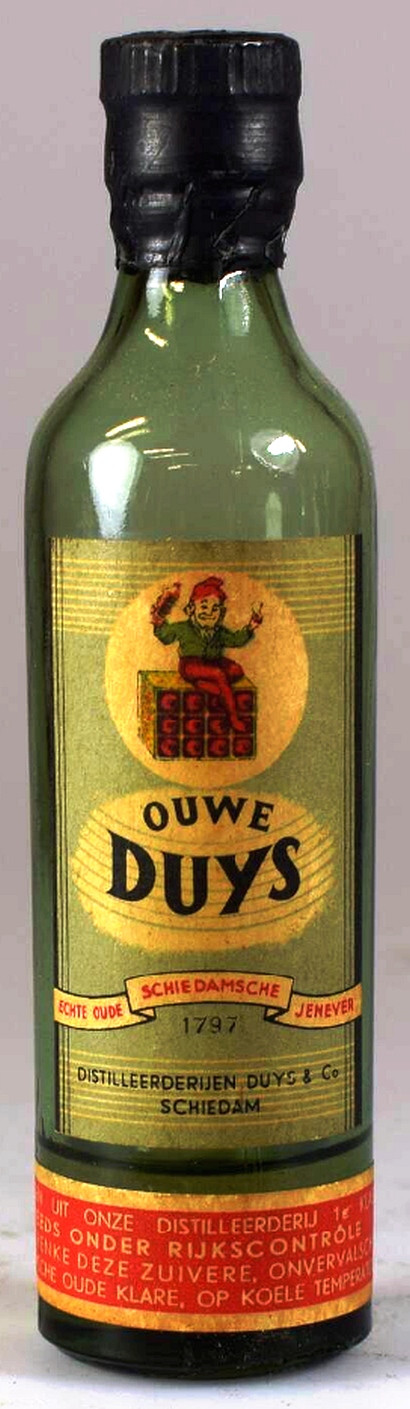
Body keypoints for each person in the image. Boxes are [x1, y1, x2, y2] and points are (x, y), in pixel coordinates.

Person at [151, 575, 263, 733]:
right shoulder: (183, 628)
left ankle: (202, 685)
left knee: (237, 671)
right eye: (204, 607)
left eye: (215, 608)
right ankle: (233, 718)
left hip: (213, 662)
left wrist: (251, 627)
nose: (209, 612)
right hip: (190, 665)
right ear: (191, 609)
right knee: (218, 674)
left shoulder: (219, 631)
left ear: (221, 613)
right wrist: (159, 621)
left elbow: (235, 640)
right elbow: (165, 636)